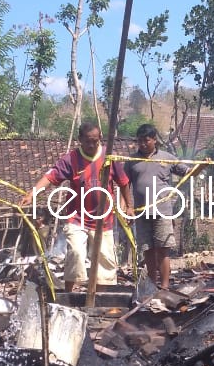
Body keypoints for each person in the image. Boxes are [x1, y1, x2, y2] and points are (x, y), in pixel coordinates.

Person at [21, 123, 133, 292]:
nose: (91, 145)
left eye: (95, 141)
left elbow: (124, 183)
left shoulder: (109, 157)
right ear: (80, 140)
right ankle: (69, 294)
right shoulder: (71, 159)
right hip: (77, 216)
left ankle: (100, 298)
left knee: (105, 258)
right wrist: (32, 194)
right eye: (88, 141)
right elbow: (50, 178)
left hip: (104, 218)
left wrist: (129, 207)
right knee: (76, 253)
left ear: (100, 139)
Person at [124, 123, 200, 290]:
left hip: (162, 212)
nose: (143, 144)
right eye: (140, 141)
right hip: (141, 213)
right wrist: (127, 208)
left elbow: (187, 172)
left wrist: (200, 168)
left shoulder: (167, 158)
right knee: (148, 251)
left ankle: (164, 287)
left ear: (155, 140)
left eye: (146, 140)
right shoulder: (132, 161)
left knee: (162, 250)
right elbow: (124, 185)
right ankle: (152, 286)